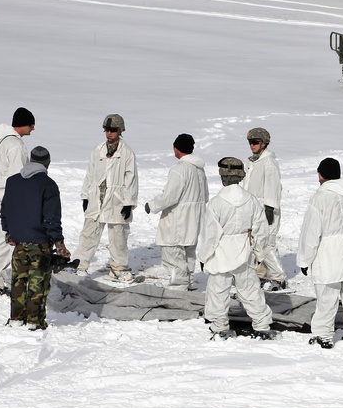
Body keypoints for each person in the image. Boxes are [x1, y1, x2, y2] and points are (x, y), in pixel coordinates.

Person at [197, 157, 277, 341]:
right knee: (250, 290)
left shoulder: (216, 203)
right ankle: (262, 325)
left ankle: (220, 326)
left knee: (218, 292)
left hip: (221, 253)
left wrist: (204, 256)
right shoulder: (252, 201)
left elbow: (210, 235)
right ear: (241, 176)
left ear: (223, 176)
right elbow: (261, 230)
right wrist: (258, 252)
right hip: (245, 251)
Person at [297, 158, 343, 349]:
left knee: (327, 297)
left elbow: (311, 232)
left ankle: (323, 335)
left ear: (321, 174)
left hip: (329, 252)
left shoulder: (320, 197)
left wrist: (304, 259)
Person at [0, 146, 69, 330]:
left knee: (18, 282)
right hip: (40, 245)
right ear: (47, 163)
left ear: (30, 160)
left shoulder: (12, 182)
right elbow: (51, 218)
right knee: (38, 284)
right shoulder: (48, 185)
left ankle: (16, 318)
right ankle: (34, 322)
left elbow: (5, 210)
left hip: (19, 243)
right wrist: (59, 243)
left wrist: (8, 231)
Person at [73, 114, 139, 282]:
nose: (109, 133)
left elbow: (131, 179)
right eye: (107, 130)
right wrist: (86, 196)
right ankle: (80, 265)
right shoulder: (98, 150)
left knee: (118, 236)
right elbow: (89, 175)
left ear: (121, 131)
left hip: (117, 199)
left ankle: (118, 267)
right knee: (89, 233)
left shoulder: (127, 153)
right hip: (97, 197)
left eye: (113, 130)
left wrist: (128, 202)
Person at [144, 133, 208, 291]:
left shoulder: (179, 169)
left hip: (178, 221)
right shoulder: (199, 170)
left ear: (176, 148)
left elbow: (170, 196)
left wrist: (151, 205)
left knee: (173, 254)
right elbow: (205, 196)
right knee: (188, 255)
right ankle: (189, 282)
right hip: (194, 220)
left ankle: (178, 289)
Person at [0, 107, 34, 294]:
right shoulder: (15, 145)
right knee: (5, 240)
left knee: (4, 238)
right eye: (31, 124)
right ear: (24, 124)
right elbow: (17, 177)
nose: (33, 128)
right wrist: (21, 202)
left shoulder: (1, 142)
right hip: (9, 197)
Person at [242, 127, 288, 291]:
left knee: (267, 244)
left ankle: (279, 277)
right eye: (250, 142)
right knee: (256, 244)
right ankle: (260, 274)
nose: (252, 145)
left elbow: (273, 187)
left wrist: (269, 208)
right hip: (254, 210)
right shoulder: (253, 162)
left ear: (264, 143)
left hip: (266, 210)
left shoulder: (269, 163)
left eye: (255, 142)